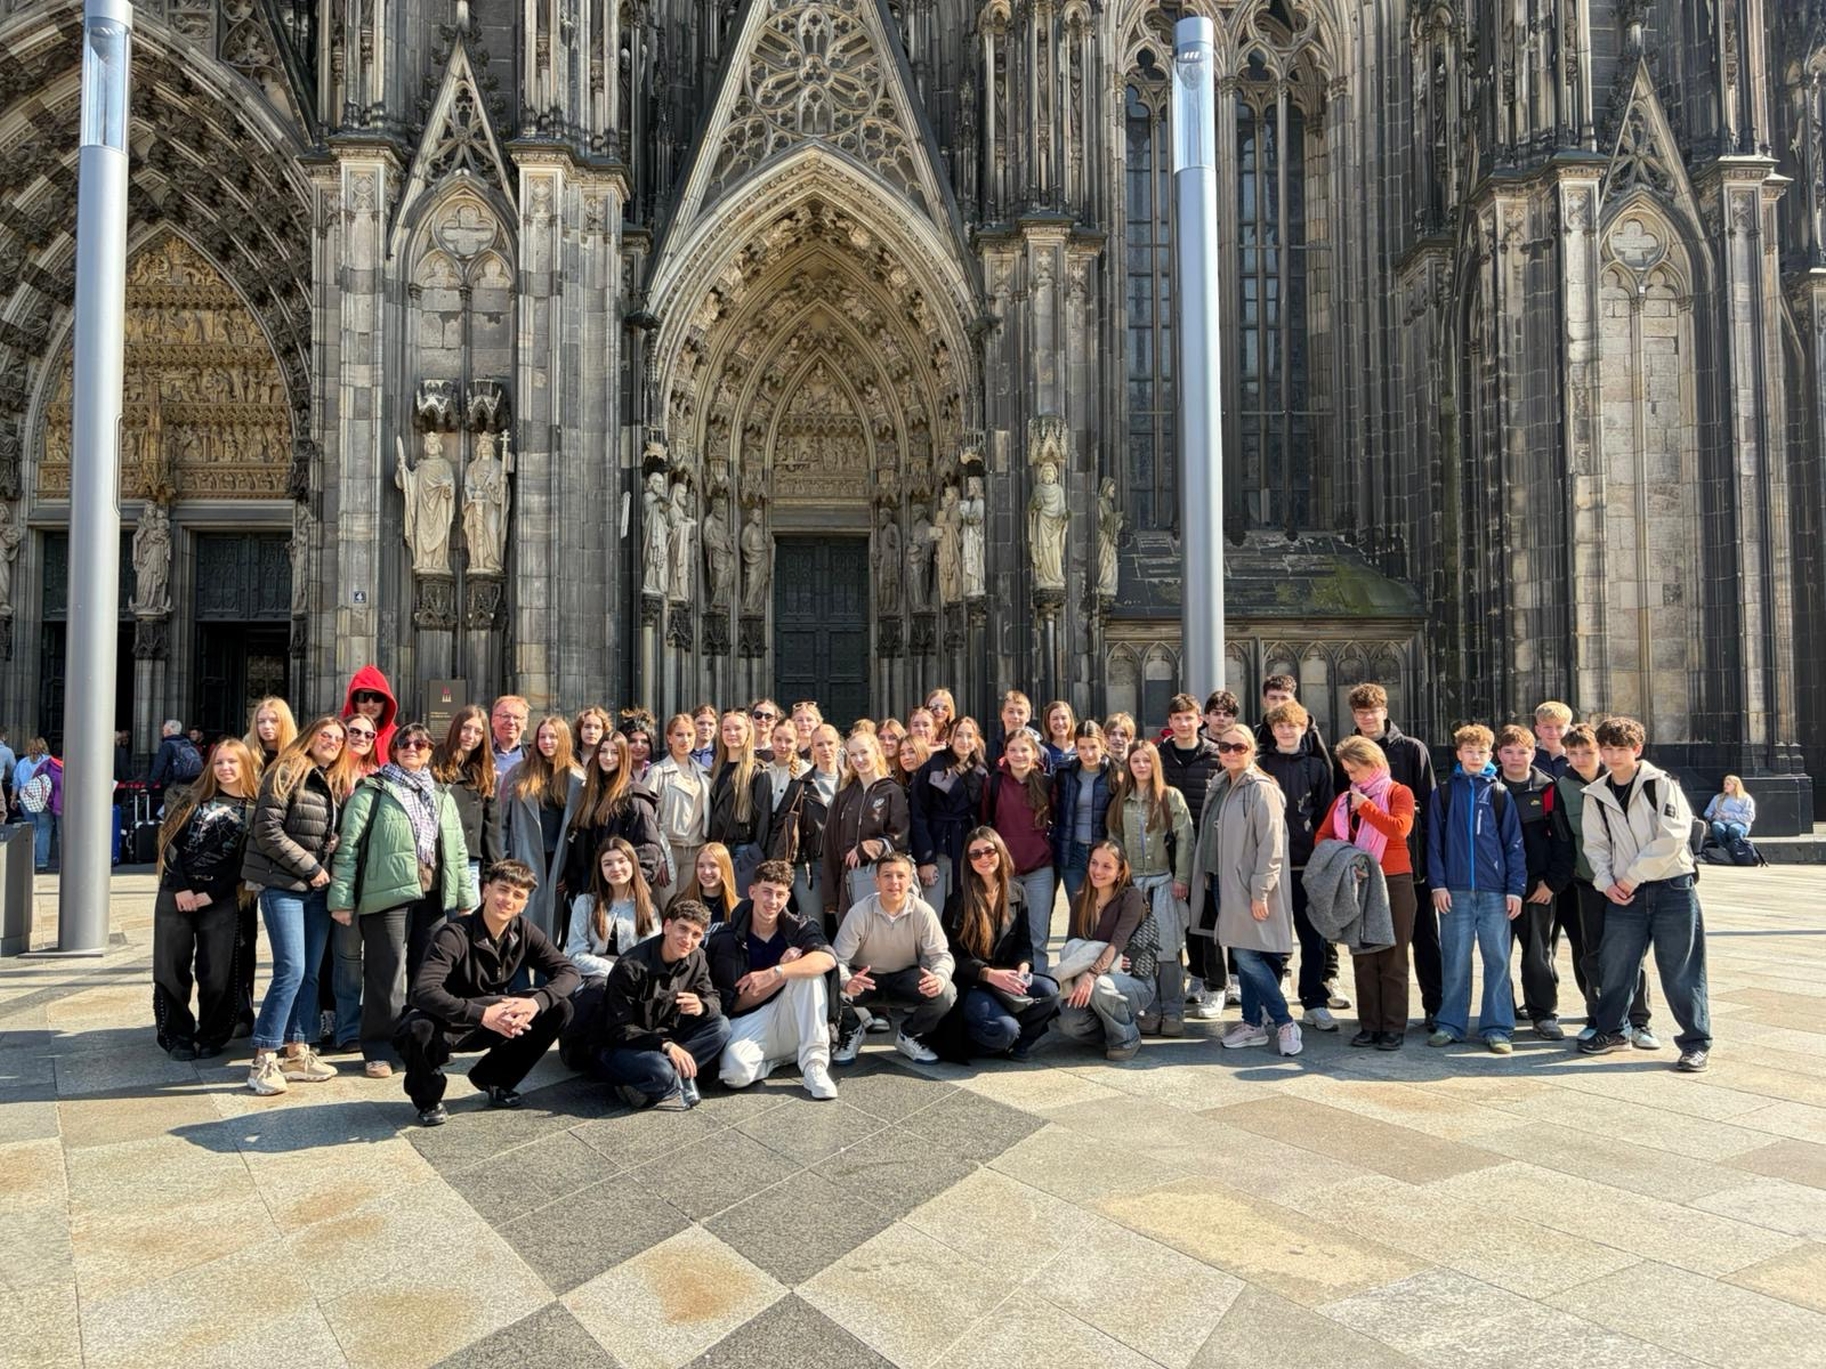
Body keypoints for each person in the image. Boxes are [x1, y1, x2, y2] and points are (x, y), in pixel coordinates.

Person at [328, 721, 476, 1079]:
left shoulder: (441, 794)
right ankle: (379, 1048)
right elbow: (348, 849)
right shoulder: (373, 791)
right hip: (387, 896)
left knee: (429, 974)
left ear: (430, 751)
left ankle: (419, 1044)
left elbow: (456, 849)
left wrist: (464, 897)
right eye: (404, 743)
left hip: (433, 895)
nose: (412, 748)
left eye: (420, 744)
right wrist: (341, 899)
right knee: (387, 972)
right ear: (393, 749)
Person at [396, 859, 580, 1125]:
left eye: (517, 895)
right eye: (503, 890)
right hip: (448, 1020)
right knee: (416, 1029)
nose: (508, 900)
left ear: (524, 904)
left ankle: (494, 1079)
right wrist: (483, 1014)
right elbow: (423, 991)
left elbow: (569, 971)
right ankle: (428, 1099)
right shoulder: (454, 933)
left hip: (496, 1018)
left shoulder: (524, 931)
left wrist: (535, 1004)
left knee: (559, 1008)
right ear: (486, 890)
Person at [1577, 717, 1712, 1072]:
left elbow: (1674, 835)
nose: (1613, 756)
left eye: (1621, 749)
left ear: (1637, 749)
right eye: (1607, 749)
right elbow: (1595, 846)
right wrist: (1606, 883)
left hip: (1672, 887)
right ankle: (1612, 1031)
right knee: (1616, 966)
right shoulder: (1595, 794)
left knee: (1681, 968)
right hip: (1624, 893)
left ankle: (1695, 1042)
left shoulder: (1661, 784)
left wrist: (1631, 877)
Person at [242, 714, 357, 1095]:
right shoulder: (286, 770)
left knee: (309, 972)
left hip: (315, 888)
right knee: (290, 969)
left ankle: (297, 1051)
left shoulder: (326, 779)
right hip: (283, 885)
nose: (333, 742)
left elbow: (309, 828)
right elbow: (267, 830)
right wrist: (311, 866)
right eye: (326, 735)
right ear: (309, 737)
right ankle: (264, 1057)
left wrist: (331, 843)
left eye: (338, 739)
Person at [1194, 726, 1301, 1057]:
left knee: (1245, 955)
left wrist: (1260, 891)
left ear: (1252, 750)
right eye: (1225, 746)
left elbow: (1272, 845)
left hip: (1249, 887)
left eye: (1238, 747)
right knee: (1247, 952)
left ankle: (1284, 1021)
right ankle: (1252, 1024)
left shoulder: (1261, 788)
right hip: (1222, 882)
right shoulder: (1221, 784)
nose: (1230, 752)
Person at [152, 737, 258, 1060]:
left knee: (217, 971)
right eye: (219, 762)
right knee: (171, 968)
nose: (225, 768)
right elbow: (170, 843)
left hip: (221, 897)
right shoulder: (191, 798)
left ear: (245, 765)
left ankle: (213, 1033)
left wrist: (211, 894)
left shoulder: (254, 809)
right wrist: (182, 888)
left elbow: (246, 862)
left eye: (232, 762)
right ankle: (176, 1035)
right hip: (176, 892)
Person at [1343, 684, 1440, 1031]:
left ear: (1385, 711)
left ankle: (1435, 1007)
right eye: (1361, 712)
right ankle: (1374, 1019)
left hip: (1409, 862)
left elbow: (1430, 808)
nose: (1368, 718)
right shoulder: (1347, 752)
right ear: (1354, 716)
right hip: (1365, 864)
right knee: (1369, 944)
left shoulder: (1411, 749)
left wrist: (1430, 862)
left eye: (1373, 711)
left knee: (1424, 938)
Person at [1425, 724, 1527, 1054]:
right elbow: (1434, 843)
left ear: (1490, 755)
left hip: (1494, 891)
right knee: (1455, 959)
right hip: (1454, 891)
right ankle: (1451, 1024)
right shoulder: (1444, 793)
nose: (1475, 757)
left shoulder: (1499, 794)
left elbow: (1514, 844)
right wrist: (1438, 884)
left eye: (1481, 752)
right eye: (1469, 751)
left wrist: (1515, 888)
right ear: (1458, 754)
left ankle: (1497, 1027)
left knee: (1497, 959)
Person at [706, 859, 839, 1099]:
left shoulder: (799, 926)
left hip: (791, 1012)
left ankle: (814, 1065)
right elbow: (733, 1004)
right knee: (734, 1074)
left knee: (808, 974)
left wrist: (778, 972)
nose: (773, 901)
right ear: (752, 892)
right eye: (767, 892)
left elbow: (828, 959)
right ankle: (783, 1058)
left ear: (787, 897)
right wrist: (778, 977)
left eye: (780, 894)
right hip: (751, 1018)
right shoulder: (727, 937)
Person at [1557, 724, 1655, 1047]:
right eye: (1573, 753)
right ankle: (1598, 1017)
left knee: (1632, 954)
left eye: (1587, 752)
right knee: (1593, 953)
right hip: (1590, 882)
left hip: (1630, 881)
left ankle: (1639, 1021)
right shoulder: (1562, 787)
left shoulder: (1619, 779)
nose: (1581, 759)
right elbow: (1564, 837)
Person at [1316, 736, 1416, 1049]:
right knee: (1363, 956)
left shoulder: (1398, 792)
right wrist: (1347, 862)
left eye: (1354, 770)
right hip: (1358, 883)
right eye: (1347, 771)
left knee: (1393, 957)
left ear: (1372, 764)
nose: (1351, 777)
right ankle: (1369, 1025)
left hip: (1394, 881)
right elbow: (1323, 837)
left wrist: (1367, 807)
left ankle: (1393, 1027)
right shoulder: (1344, 800)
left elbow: (1399, 829)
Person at [589, 899, 730, 1109]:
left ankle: (661, 1082)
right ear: (667, 926)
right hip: (624, 1046)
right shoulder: (630, 967)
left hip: (665, 1038)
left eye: (696, 935)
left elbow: (714, 999)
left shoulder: (697, 958)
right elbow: (619, 1030)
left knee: (722, 1026)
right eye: (683, 929)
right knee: (661, 1072)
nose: (687, 940)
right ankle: (671, 1078)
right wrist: (666, 1045)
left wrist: (702, 1005)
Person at [933, 828, 1060, 1060]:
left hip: (1007, 977)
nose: (984, 858)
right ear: (968, 861)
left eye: (989, 851)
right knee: (1004, 1030)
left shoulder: (1017, 891)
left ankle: (1019, 1044)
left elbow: (1024, 943)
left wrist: (1023, 966)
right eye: (975, 854)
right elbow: (953, 956)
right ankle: (991, 1040)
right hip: (973, 983)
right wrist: (988, 974)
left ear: (1000, 851)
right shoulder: (958, 901)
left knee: (1050, 991)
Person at [1256, 700, 1340, 1031]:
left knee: (1313, 939)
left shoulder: (1316, 768)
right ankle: (1271, 1001)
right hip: (1271, 867)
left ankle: (1314, 1002)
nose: (1286, 731)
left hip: (1307, 866)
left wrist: (1323, 856)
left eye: (1292, 725)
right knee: (1271, 941)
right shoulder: (1260, 765)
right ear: (1272, 730)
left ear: (1303, 728)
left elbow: (1327, 815)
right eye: (1280, 726)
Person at [831, 851, 955, 1064]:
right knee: (828, 986)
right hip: (864, 981)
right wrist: (846, 981)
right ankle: (851, 1031)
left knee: (946, 991)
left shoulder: (923, 912)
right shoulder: (859, 912)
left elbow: (942, 955)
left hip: (905, 980)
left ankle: (909, 1035)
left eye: (901, 875)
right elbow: (838, 960)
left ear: (910, 880)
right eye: (887, 875)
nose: (894, 882)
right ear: (876, 881)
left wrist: (939, 978)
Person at [1495, 724, 1576, 1040]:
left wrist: (1552, 884)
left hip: (1536, 886)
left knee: (1538, 954)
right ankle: (1502, 1012)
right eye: (1509, 751)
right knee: (1497, 953)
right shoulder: (1488, 786)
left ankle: (1543, 1014)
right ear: (1499, 754)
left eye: (1522, 751)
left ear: (1533, 753)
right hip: (1495, 886)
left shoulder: (1547, 788)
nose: (1515, 758)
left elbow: (1563, 842)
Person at [1108, 739, 1192, 1033]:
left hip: (1163, 881)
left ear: (1155, 764)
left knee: (1167, 949)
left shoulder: (1170, 797)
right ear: (1129, 765)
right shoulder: (1121, 801)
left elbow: (1185, 838)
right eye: (1136, 761)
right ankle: (1150, 1007)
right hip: (1134, 886)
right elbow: (1115, 843)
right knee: (1140, 951)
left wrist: (1182, 878)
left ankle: (1173, 1009)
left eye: (1146, 760)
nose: (1141, 766)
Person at [1053, 839, 1154, 1061]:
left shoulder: (1131, 897)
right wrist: (1084, 972)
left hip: (1134, 981)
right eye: (1094, 863)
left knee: (1100, 986)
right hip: (1086, 976)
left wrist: (1091, 974)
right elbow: (1071, 948)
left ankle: (1127, 1037)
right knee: (1067, 1021)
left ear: (1120, 871)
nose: (1098, 871)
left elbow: (1117, 944)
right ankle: (1110, 1031)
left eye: (1107, 866)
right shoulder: (1080, 899)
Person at [1158, 692, 1226, 1017]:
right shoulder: (1160, 755)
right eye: (1177, 718)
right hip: (1170, 848)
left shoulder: (1216, 754)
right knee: (1182, 919)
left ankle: (1216, 986)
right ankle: (1196, 976)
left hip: (1207, 847)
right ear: (1170, 722)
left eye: (1189, 718)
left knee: (1208, 919)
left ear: (1200, 720)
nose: (1184, 724)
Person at [983, 728, 1059, 974]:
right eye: (1013, 750)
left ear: (1034, 752)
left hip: (1040, 868)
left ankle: (1040, 983)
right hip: (1006, 871)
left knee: (1038, 934)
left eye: (1024, 749)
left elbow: (1057, 820)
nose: (1018, 755)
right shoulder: (993, 783)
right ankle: (1008, 984)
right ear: (1005, 753)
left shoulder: (1046, 782)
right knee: (1005, 933)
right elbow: (985, 824)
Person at [499, 715, 581, 941]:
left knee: (552, 924)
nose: (547, 742)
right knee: (520, 919)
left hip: (558, 860)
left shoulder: (577, 778)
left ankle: (548, 963)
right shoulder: (519, 773)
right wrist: (504, 860)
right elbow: (502, 822)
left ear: (563, 740)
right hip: (524, 855)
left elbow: (581, 828)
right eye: (542, 737)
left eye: (553, 737)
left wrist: (571, 871)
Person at [560, 733, 666, 908]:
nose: (608, 757)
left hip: (620, 890)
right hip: (588, 886)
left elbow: (648, 850)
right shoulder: (590, 794)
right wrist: (571, 877)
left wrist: (631, 889)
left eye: (615, 752)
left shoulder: (635, 798)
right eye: (603, 751)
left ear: (624, 756)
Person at [823, 730, 909, 920]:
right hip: (848, 881)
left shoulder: (892, 791)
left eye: (863, 752)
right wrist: (830, 896)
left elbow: (900, 838)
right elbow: (831, 844)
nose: (859, 759)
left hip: (882, 880)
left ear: (876, 751)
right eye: (853, 755)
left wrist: (868, 848)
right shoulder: (844, 794)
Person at [910, 715, 988, 916]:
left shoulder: (981, 771)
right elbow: (917, 814)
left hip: (968, 850)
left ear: (976, 740)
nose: (964, 741)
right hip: (938, 849)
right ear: (949, 738)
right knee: (933, 913)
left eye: (969, 736)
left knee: (965, 913)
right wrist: (925, 860)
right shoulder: (932, 767)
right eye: (959, 735)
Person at [433, 705, 503, 894]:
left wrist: (491, 875)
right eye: (466, 728)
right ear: (456, 728)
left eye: (478, 732)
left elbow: (492, 828)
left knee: (465, 913)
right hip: (435, 859)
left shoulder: (486, 774)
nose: (470, 736)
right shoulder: (434, 763)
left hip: (469, 862)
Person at [564, 836, 657, 977]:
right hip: (592, 978)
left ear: (633, 864)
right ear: (600, 869)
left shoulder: (648, 909)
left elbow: (649, 956)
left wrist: (624, 974)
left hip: (632, 980)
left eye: (621, 861)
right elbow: (576, 955)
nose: (615, 868)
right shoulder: (585, 903)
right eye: (607, 864)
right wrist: (614, 971)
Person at [1052, 720, 1117, 906]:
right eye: (1082, 748)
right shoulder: (1064, 773)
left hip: (1102, 853)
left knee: (1102, 908)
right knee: (1078, 908)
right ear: (1075, 747)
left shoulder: (1115, 773)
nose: (1088, 754)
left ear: (1103, 744)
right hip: (1072, 851)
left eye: (1093, 747)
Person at [649, 713, 711, 907]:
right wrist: (657, 855)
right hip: (667, 850)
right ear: (669, 738)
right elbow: (646, 816)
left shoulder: (704, 773)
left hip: (696, 849)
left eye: (690, 735)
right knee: (667, 907)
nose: (685, 740)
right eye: (679, 735)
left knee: (688, 907)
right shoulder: (657, 772)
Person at [708, 709, 772, 892]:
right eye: (726, 729)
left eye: (737, 728)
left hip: (743, 852)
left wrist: (754, 856)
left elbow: (764, 821)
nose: (732, 733)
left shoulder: (758, 773)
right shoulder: (714, 771)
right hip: (716, 852)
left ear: (748, 732)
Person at [794, 724, 843, 921]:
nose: (826, 749)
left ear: (838, 745)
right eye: (820, 744)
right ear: (812, 748)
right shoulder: (800, 785)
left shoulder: (852, 782)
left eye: (830, 743)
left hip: (843, 864)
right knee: (812, 925)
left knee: (846, 925)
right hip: (810, 866)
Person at [760, 717, 811, 870]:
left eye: (788, 741)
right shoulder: (763, 771)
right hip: (765, 841)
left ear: (797, 743)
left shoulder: (806, 772)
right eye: (778, 739)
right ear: (771, 739)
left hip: (793, 845)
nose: (782, 745)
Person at [1252, 674, 1327, 759]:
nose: (1278, 703)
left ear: (1293, 700)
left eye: (1284, 698)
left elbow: (1322, 765)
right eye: (1273, 698)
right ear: (1265, 701)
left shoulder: (1309, 734)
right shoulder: (1258, 733)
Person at [341, 665, 399, 765]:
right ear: (353, 701)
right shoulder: (337, 736)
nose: (370, 704)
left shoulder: (400, 738)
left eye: (377, 698)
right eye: (363, 697)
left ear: (386, 701)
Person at [21, 742, 63, 872]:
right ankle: (65, 862)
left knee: (43, 831)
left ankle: (41, 863)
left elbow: (34, 780)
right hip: (62, 805)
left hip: (43, 804)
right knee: (62, 834)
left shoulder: (45, 765)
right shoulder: (69, 767)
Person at [679, 841, 740, 923]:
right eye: (701, 866)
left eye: (713, 865)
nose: (706, 872)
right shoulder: (682, 904)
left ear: (725, 868)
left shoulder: (739, 909)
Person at [148, 718, 203, 804]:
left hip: (175, 784)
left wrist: (148, 785)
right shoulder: (188, 743)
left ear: (168, 731)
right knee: (188, 809)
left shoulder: (167, 745)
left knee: (172, 809)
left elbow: (159, 767)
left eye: (163, 730)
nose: (162, 732)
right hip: (192, 783)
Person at [1703, 776, 1757, 855]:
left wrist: (1730, 815)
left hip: (1739, 823)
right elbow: (1707, 813)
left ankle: (1737, 849)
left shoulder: (1746, 798)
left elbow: (1750, 816)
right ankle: (1723, 850)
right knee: (1716, 826)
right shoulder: (1718, 798)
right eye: (1724, 784)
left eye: (1728, 784)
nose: (1725, 786)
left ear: (1735, 785)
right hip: (1722, 822)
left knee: (1734, 829)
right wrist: (1713, 816)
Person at [243, 697, 299, 770]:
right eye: (261, 721)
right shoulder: (246, 752)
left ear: (285, 722)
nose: (267, 726)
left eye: (274, 721)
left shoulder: (297, 755)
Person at [489, 694, 531, 787]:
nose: (511, 722)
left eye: (517, 717)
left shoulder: (534, 755)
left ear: (525, 724)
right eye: (505, 716)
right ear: (493, 720)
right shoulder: (479, 752)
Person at [1533, 701, 1573, 778]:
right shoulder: (1528, 758)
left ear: (1568, 729)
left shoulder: (1576, 758)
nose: (1553, 733)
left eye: (1559, 727)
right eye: (1547, 727)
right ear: (1538, 730)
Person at [1040, 700, 1077, 771]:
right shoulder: (1043, 752)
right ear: (1048, 722)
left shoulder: (1081, 748)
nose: (1060, 723)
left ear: (1071, 721)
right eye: (1055, 719)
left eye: (1063, 718)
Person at [689, 704, 719, 771]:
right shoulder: (682, 753)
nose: (706, 728)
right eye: (701, 723)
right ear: (692, 725)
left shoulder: (721, 755)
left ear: (716, 727)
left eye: (710, 724)